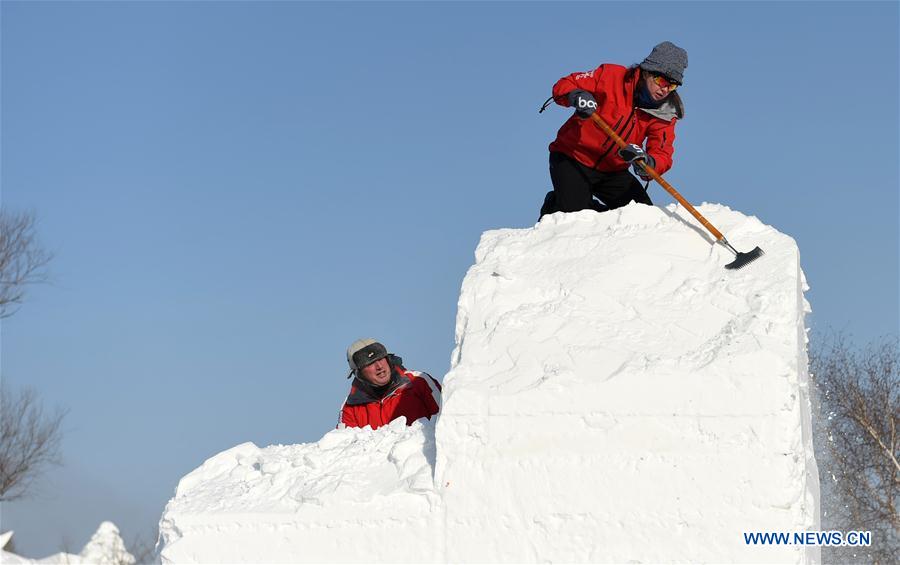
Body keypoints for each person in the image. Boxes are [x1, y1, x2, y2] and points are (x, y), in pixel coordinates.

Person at [539, 41, 688, 218]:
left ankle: (589, 210)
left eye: (672, 85)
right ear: (647, 72)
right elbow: (565, 84)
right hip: (572, 157)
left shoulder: (665, 112)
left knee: (644, 217)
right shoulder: (611, 76)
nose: (665, 89)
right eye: (661, 81)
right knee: (577, 217)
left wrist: (648, 163)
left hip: (613, 171)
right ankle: (556, 205)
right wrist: (577, 95)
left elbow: (662, 153)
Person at [338, 338, 442, 430]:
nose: (379, 366)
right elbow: (343, 443)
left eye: (380, 358)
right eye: (370, 363)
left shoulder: (419, 381)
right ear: (358, 373)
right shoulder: (350, 406)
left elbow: (447, 421)